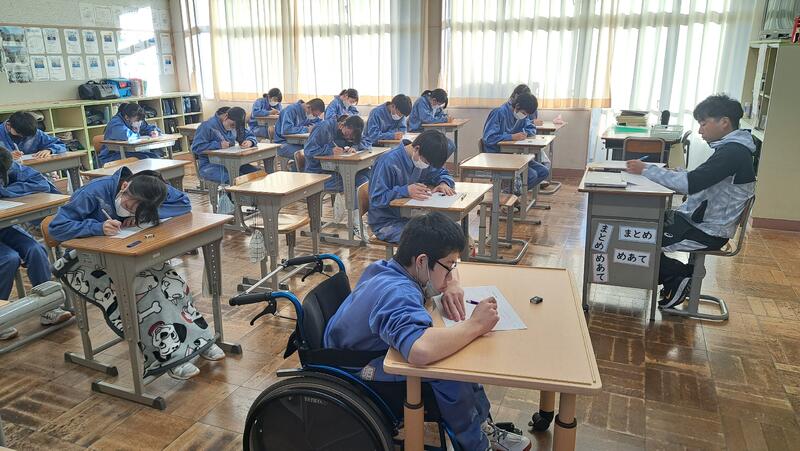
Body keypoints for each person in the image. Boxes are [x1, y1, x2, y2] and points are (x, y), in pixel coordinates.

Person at [324, 212, 532, 451]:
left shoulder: (389, 268)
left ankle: (481, 425)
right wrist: (475, 325)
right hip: (354, 368)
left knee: (456, 350)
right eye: (449, 266)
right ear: (422, 261)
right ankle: (475, 444)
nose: (451, 271)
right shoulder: (398, 293)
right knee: (449, 369)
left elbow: (444, 269)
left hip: (352, 350)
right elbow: (419, 350)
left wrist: (452, 283)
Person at [48, 166, 225, 379]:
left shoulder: (151, 187)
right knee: (148, 293)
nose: (130, 212)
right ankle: (168, 357)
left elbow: (183, 204)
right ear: (124, 187)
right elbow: (56, 228)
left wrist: (143, 216)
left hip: (127, 255)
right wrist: (97, 227)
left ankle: (200, 340)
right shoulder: (92, 193)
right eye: (130, 207)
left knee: (172, 283)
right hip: (87, 262)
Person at [626, 94, 756, 308]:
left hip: (706, 231)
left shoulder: (733, 152)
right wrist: (671, 173)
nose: (700, 130)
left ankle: (678, 276)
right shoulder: (732, 149)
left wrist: (646, 170)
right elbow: (703, 179)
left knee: (633, 237)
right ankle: (677, 277)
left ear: (724, 122)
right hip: (697, 221)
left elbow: (690, 184)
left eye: (704, 124)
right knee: (638, 224)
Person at [0, 147, 72, 341]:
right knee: (8, 258)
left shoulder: (6, 162)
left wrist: (5, 191)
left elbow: (40, 183)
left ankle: (48, 307)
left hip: (4, 224)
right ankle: (1, 316)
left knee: (36, 249)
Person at [368, 130, 455, 243]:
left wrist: (444, 183)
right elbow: (376, 199)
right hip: (387, 222)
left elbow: (441, 173)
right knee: (432, 240)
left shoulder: (423, 157)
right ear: (417, 148)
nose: (427, 166)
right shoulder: (388, 162)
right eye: (427, 162)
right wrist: (406, 191)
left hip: (412, 216)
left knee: (450, 231)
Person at [303, 115, 369, 236]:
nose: (348, 138)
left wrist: (353, 147)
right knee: (355, 180)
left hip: (334, 171)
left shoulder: (350, 129)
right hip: (318, 174)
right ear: (343, 125)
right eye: (348, 135)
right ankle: (355, 222)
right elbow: (308, 151)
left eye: (351, 138)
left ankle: (356, 219)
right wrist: (329, 150)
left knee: (365, 177)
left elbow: (365, 142)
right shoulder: (323, 128)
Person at [482, 92, 550, 190]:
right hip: (497, 155)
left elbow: (531, 128)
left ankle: (513, 192)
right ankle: (509, 192)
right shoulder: (499, 112)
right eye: (524, 113)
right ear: (517, 106)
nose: (525, 116)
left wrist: (524, 133)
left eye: (527, 115)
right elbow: (488, 138)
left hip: (513, 155)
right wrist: (511, 137)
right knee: (532, 175)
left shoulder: (521, 116)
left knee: (543, 171)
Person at [191, 106, 259, 184]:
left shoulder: (235, 124)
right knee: (237, 179)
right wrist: (218, 145)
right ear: (226, 116)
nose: (233, 128)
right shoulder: (207, 126)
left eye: (236, 127)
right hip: (210, 165)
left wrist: (250, 141)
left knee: (256, 173)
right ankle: (235, 192)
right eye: (232, 125)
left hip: (232, 163)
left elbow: (249, 135)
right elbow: (196, 148)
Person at [97, 103, 162, 166]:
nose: (139, 122)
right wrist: (137, 131)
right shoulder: (115, 123)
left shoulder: (136, 120)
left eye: (140, 120)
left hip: (128, 153)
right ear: (127, 117)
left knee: (155, 157)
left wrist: (154, 131)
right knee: (145, 159)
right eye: (137, 120)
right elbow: (127, 136)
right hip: (111, 156)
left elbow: (148, 127)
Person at [273, 98, 325, 169]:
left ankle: (295, 168)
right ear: (308, 107)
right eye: (314, 115)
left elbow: (318, 121)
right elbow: (286, 130)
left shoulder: (306, 112)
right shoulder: (290, 110)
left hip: (296, 143)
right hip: (283, 143)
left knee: (316, 150)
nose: (314, 116)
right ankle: (297, 171)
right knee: (308, 154)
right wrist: (307, 129)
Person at [408, 89, 455, 157]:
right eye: (439, 104)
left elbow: (440, 114)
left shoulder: (434, 104)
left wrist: (446, 117)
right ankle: (433, 162)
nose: (438, 106)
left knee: (451, 145)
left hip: (429, 131)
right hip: (417, 131)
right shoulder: (421, 102)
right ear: (434, 100)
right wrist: (444, 119)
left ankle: (436, 162)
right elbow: (427, 119)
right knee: (441, 146)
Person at [0, 111, 66, 159]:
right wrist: (6, 156)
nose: (22, 137)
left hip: (32, 169)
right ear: (9, 125)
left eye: (26, 136)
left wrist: (49, 150)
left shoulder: (34, 132)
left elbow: (60, 145)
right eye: (19, 133)